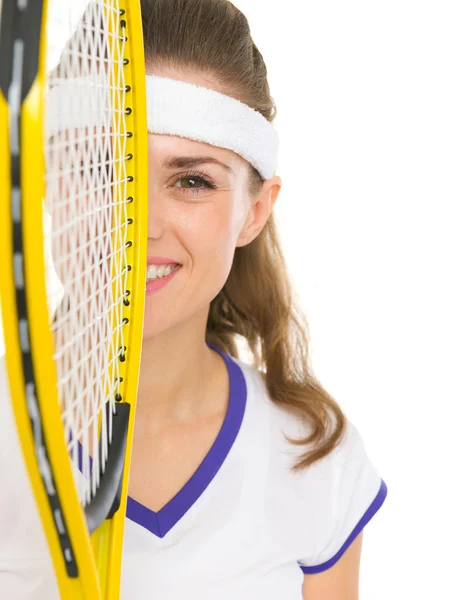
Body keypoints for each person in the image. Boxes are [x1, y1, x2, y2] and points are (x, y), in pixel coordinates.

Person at [120, 0, 387, 599]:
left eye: (192, 181)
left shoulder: (313, 457)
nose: (143, 224)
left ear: (254, 211)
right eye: (108, 169)